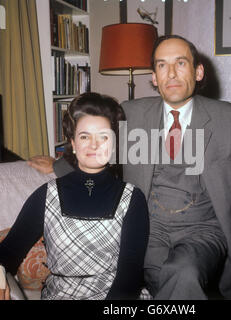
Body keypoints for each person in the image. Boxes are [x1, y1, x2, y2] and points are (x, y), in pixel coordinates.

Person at [27, 35, 231, 300]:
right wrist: (59, 165)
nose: (171, 73)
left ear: (199, 72)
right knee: (140, 272)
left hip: (203, 230)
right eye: (161, 65)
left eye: (180, 63)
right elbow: (97, 147)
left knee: (184, 271)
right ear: (154, 78)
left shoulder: (230, 120)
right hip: (146, 227)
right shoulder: (131, 113)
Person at [0, 92, 149, 300]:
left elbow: (129, 278)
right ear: (73, 142)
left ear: (114, 144)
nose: (94, 145)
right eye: (85, 136)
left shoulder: (133, 198)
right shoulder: (45, 196)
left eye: (103, 137)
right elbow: (8, 252)